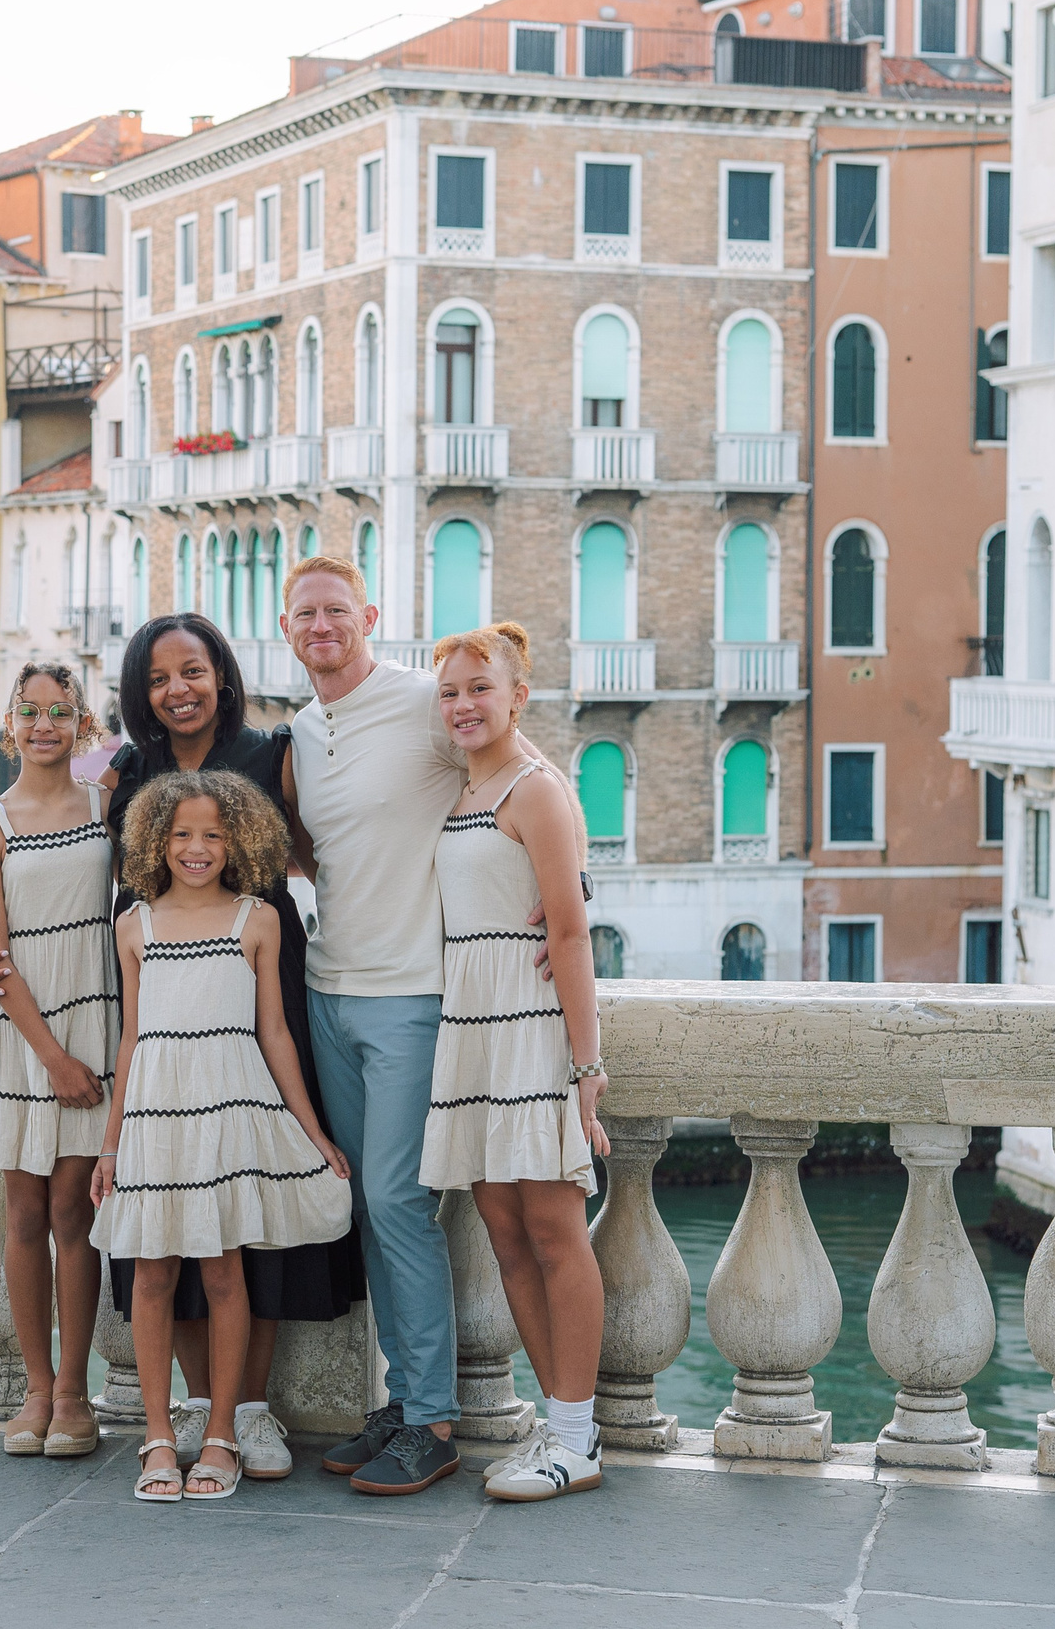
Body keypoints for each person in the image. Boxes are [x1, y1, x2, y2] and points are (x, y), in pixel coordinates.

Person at [278, 555, 576, 1497]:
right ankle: (404, 1402)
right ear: (288, 630)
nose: (321, 626)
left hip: (414, 995)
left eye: (337, 610)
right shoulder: (302, 727)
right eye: (304, 615)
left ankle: (435, 1420)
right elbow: (310, 844)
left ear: (366, 614)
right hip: (331, 991)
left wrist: (572, 885)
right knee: (370, 1202)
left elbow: (520, 763)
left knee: (402, 1205)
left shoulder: (421, 699)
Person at [92, 613, 363, 1480]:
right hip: (166, 1006)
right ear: (143, 691)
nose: (179, 688)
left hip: (259, 984)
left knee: (259, 1208)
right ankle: (182, 1414)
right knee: (169, 1231)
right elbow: (82, 860)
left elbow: (333, 854)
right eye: (161, 676)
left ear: (221, 674)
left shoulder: (272, 752)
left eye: (194, 670)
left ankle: (244, 1412)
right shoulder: (127, 772)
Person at [423, 622, 611, 1501]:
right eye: (450, 691)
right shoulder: (470, 788)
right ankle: (559, 1420)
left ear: (517, 695)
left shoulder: (534, 789)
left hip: (530, 1024)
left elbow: (570, 931)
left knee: (551, 1226)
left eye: (480, 688)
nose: (463, 704)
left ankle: (577, 1436)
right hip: (473, 1017)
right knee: (502, 1226)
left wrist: (586, 1069)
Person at [0, 662, 113, 1460]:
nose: (44, 725)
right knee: (24, 1214)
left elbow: (135, 753)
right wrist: (51, 1057)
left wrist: (100, 743)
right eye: (29, 712)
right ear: (7, 723)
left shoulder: (105, 799)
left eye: (60, 711)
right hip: (23, 1039)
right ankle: (36, 1389)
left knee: (72, 1213)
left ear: (80, 721)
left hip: (96, 1018)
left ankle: (78, 1395)